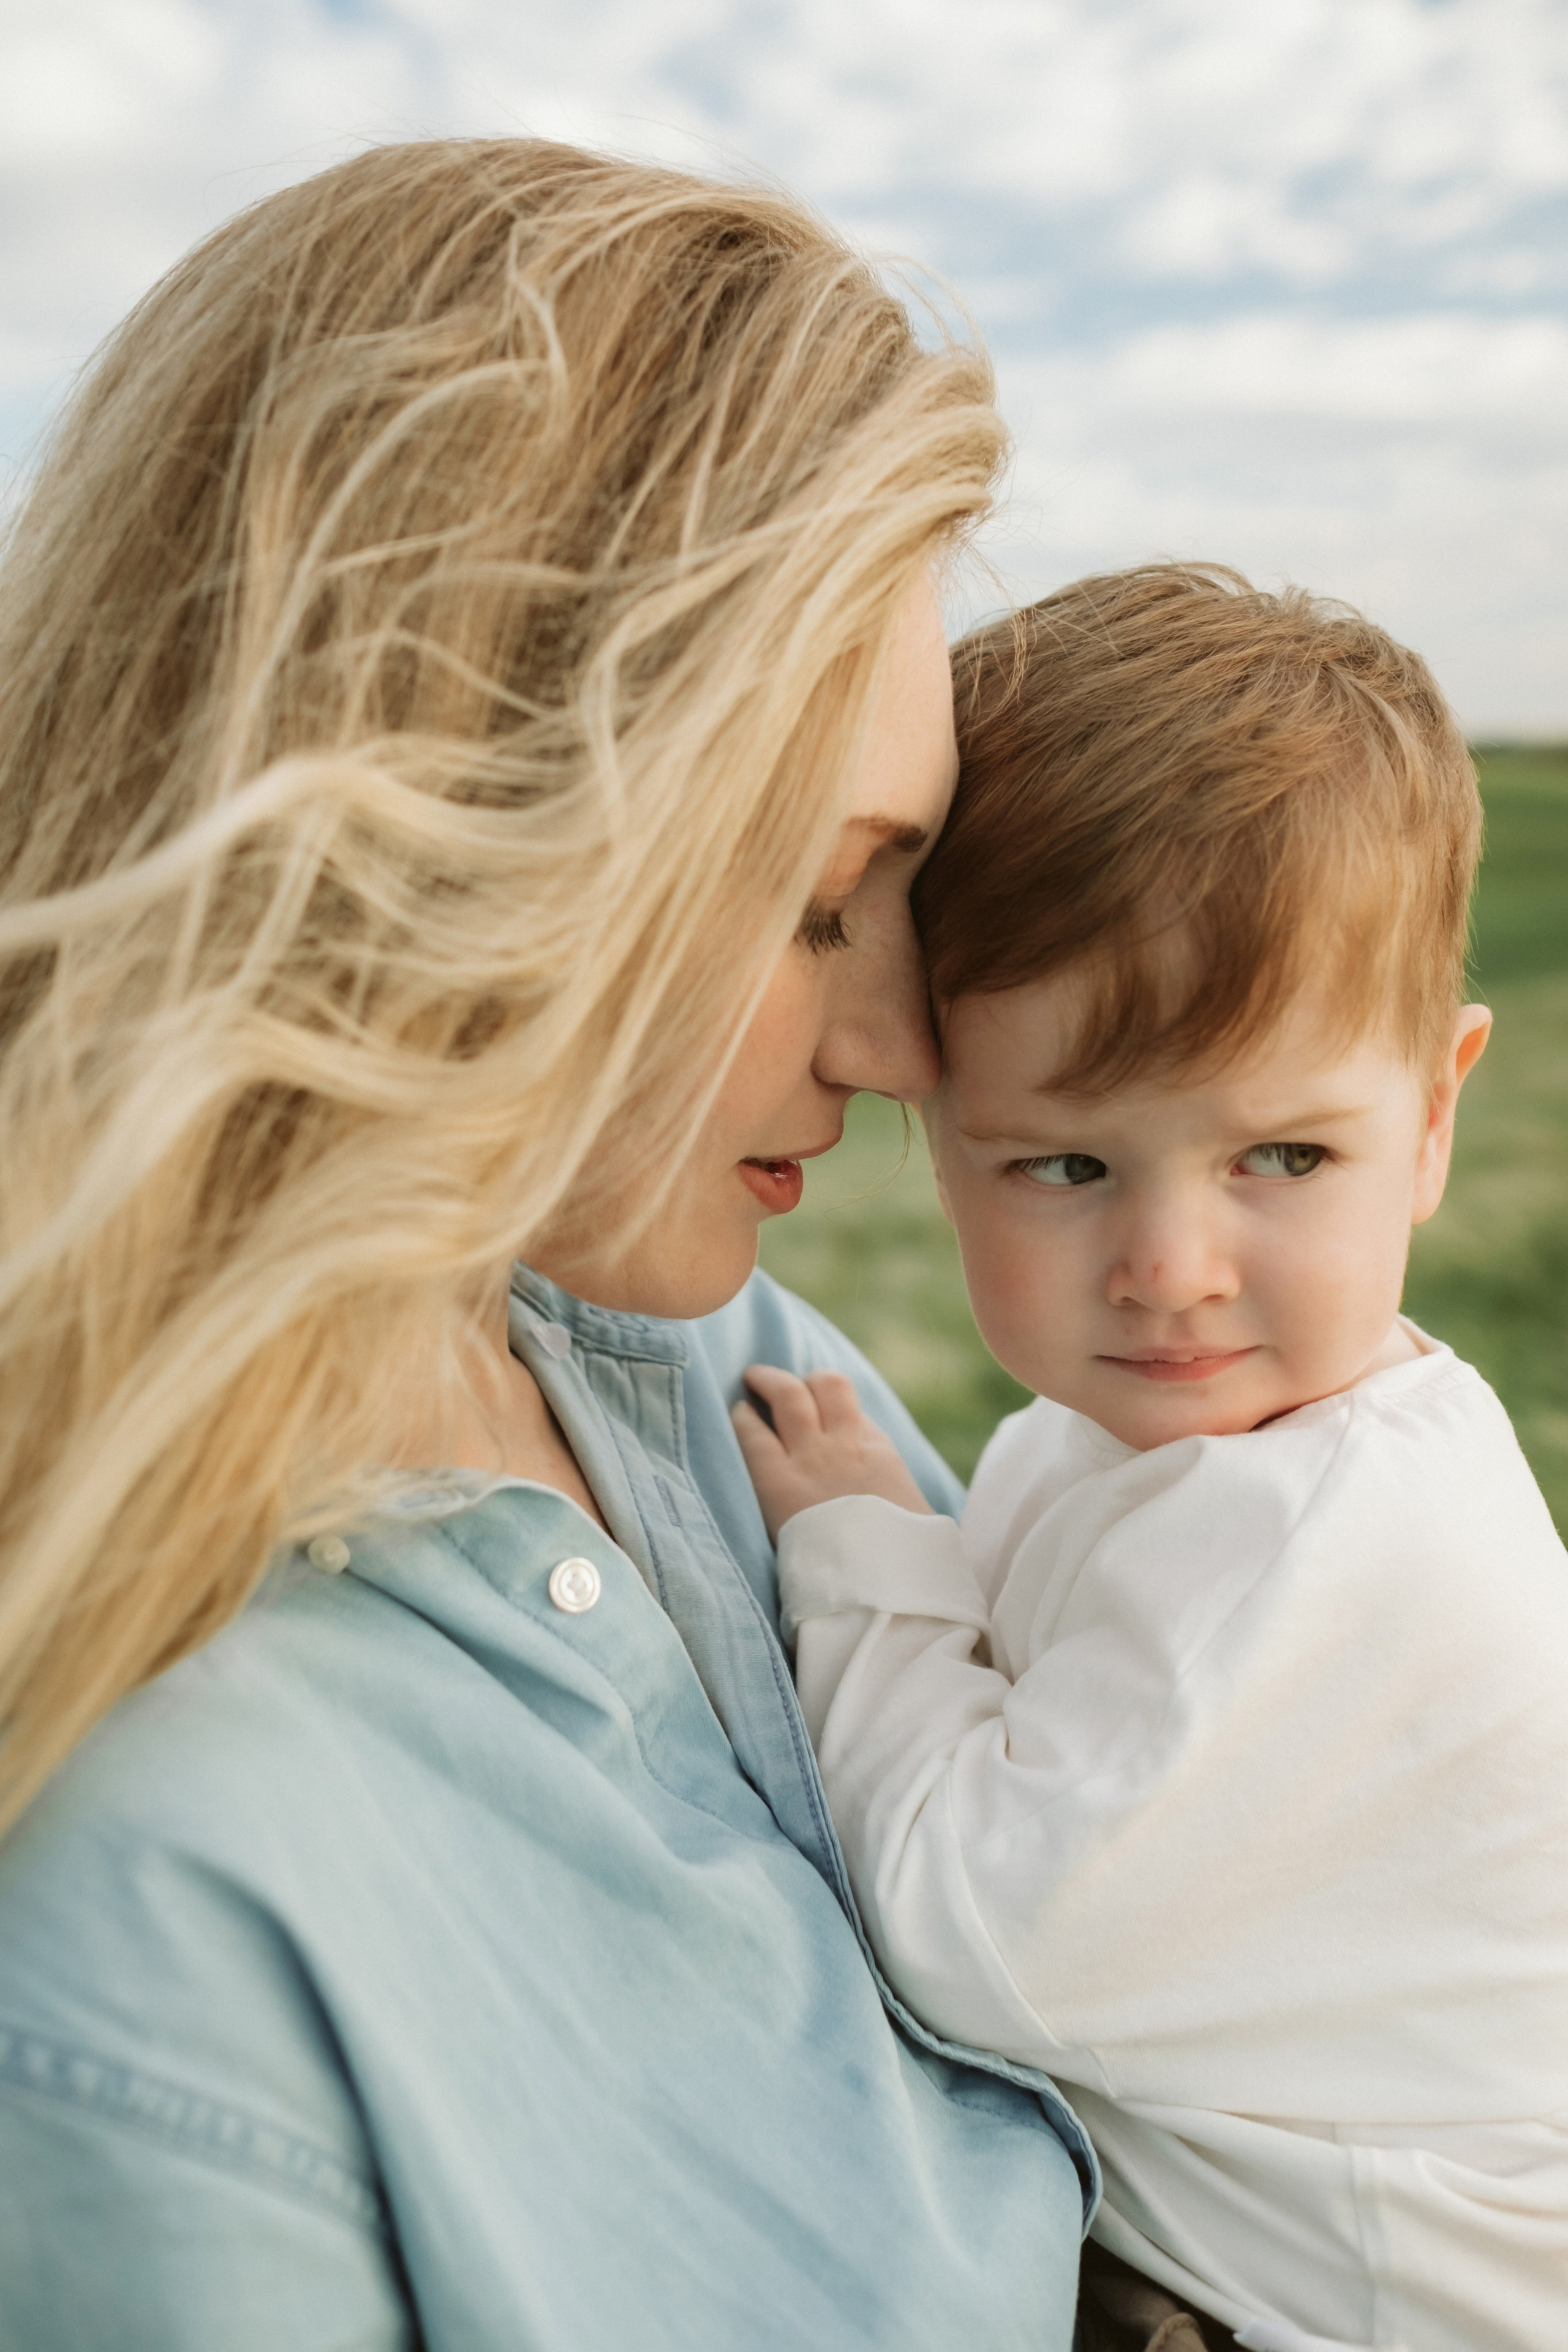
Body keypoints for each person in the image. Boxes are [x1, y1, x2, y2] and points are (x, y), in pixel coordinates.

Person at [0, 140, 1095, 2348]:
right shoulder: (132, 1935)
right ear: (448, 831)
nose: (904, 1049)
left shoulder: (727, 1369)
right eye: (819, 901)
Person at [736, 565, 1568, 2352]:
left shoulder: (1332, 1539)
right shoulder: (1148, 1445)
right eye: (1066, 1166)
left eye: (1285, 1158)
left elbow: (974, 1931)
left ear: (1433, 1117)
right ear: (939, 1127)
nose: (1172, 1268)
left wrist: (869, 1567)